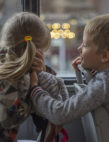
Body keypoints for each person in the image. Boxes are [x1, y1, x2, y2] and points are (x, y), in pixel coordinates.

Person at [29, 13, 109, 142]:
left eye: (85, 45)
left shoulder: (105, 84)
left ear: (104, 56)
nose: (79, 48)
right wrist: (89, 71)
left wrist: (35, 90)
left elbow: (60, 114)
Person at [0, 12, 68, 142]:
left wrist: (41, 73)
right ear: (38, 52)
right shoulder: (12, 77)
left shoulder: (7, 66)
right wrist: (33, 90)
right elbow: (7, 120)